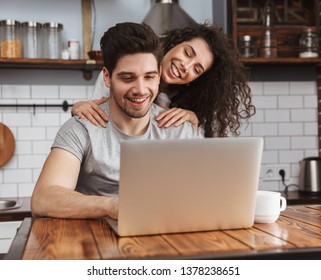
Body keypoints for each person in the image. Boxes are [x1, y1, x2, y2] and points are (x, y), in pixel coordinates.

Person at [30, 22, 201, 220]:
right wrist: (113, 206)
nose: (141, 89)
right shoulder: (81, 128)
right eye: (128, 78)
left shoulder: (180, 130)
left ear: (159, 76)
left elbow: (201, 196)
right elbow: (43, 198)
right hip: (92, 244)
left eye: (149, 77)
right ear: (107, 77)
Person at [72, 23, 255, 137]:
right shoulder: (125, 67)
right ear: (175, 43)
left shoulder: (186, 104)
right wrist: (81, 107)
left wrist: (193, 119)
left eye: (196, 69)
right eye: (187, 53)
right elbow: (96, 112)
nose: (186, 66)